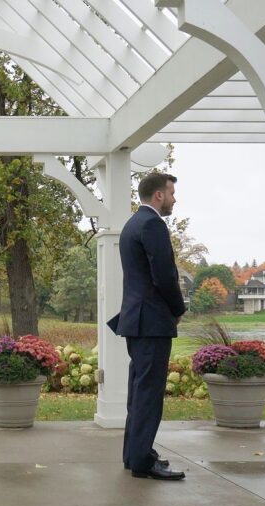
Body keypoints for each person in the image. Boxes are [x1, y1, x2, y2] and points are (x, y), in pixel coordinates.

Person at [107, 173, 186, 481]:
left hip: (137, 320)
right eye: (171, 193)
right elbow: (164, 275)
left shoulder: (132, 224)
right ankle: (141, 461)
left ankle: (136, 455)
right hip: (152, 321)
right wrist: (178, 309)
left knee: (138, 392)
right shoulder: (152, 225)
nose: (174, 198)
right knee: (148, 394)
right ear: (158, 196)